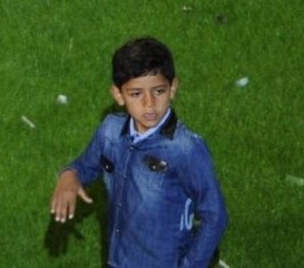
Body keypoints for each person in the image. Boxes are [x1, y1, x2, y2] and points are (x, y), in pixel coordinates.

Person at [50, 37, 227, 268]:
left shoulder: (185, 149)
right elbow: (85, 166)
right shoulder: (110, 131)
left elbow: (215, 215)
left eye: (158, 91)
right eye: (136, 94)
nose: (149, 103)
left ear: (172, 88)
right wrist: (69, 176)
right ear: (118, 95)